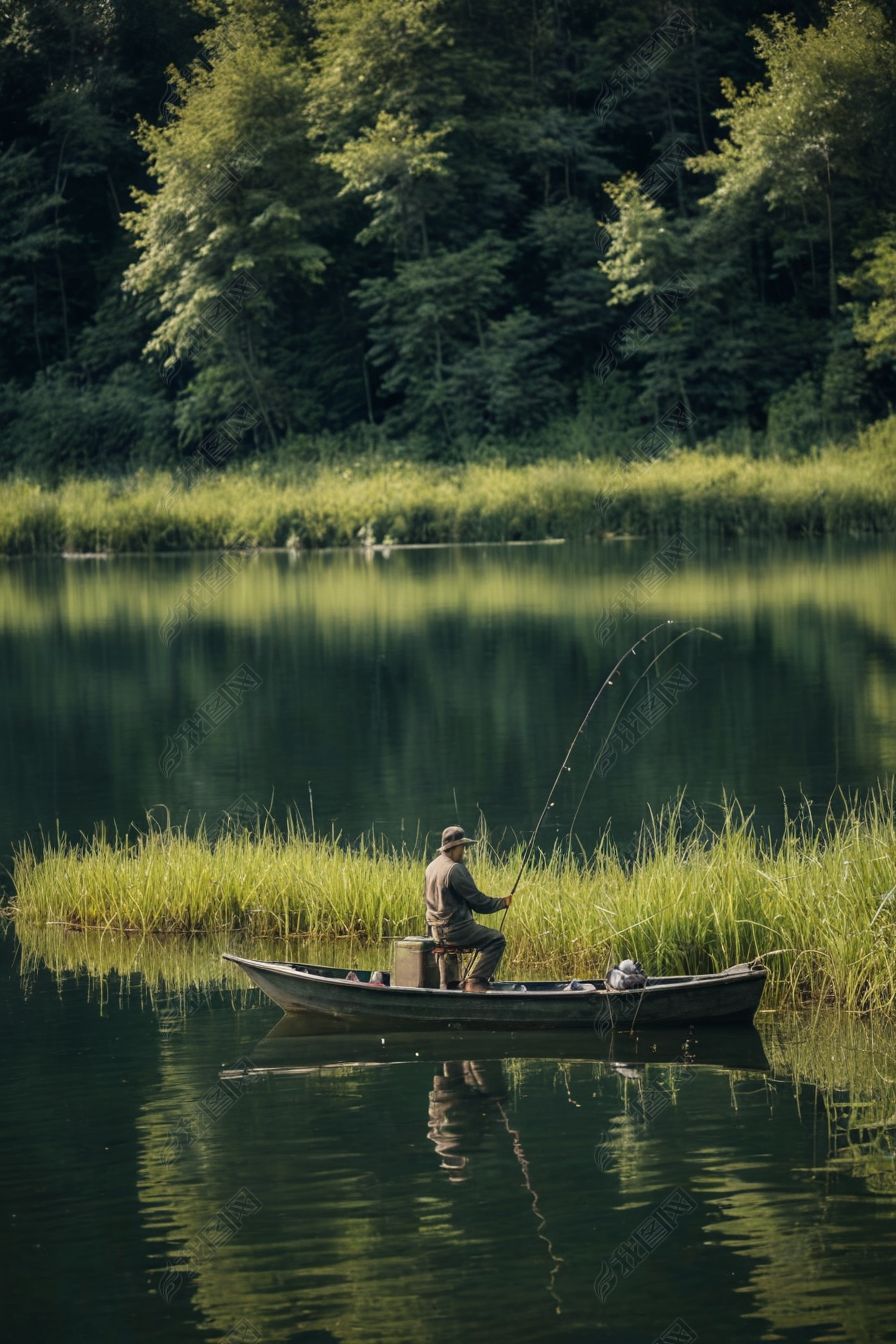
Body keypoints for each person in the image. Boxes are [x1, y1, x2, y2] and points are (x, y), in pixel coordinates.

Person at [423, 825, 512, 992]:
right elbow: (479, 903)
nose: (464, 852)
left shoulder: (431, 866)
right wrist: (502, 903)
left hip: (435, 930)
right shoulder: (455, 869)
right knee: (496, 939)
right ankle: (475, 981)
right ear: (454, 847)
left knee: (490, 938)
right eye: (462, 848)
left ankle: (453, 984)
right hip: (455, 930)